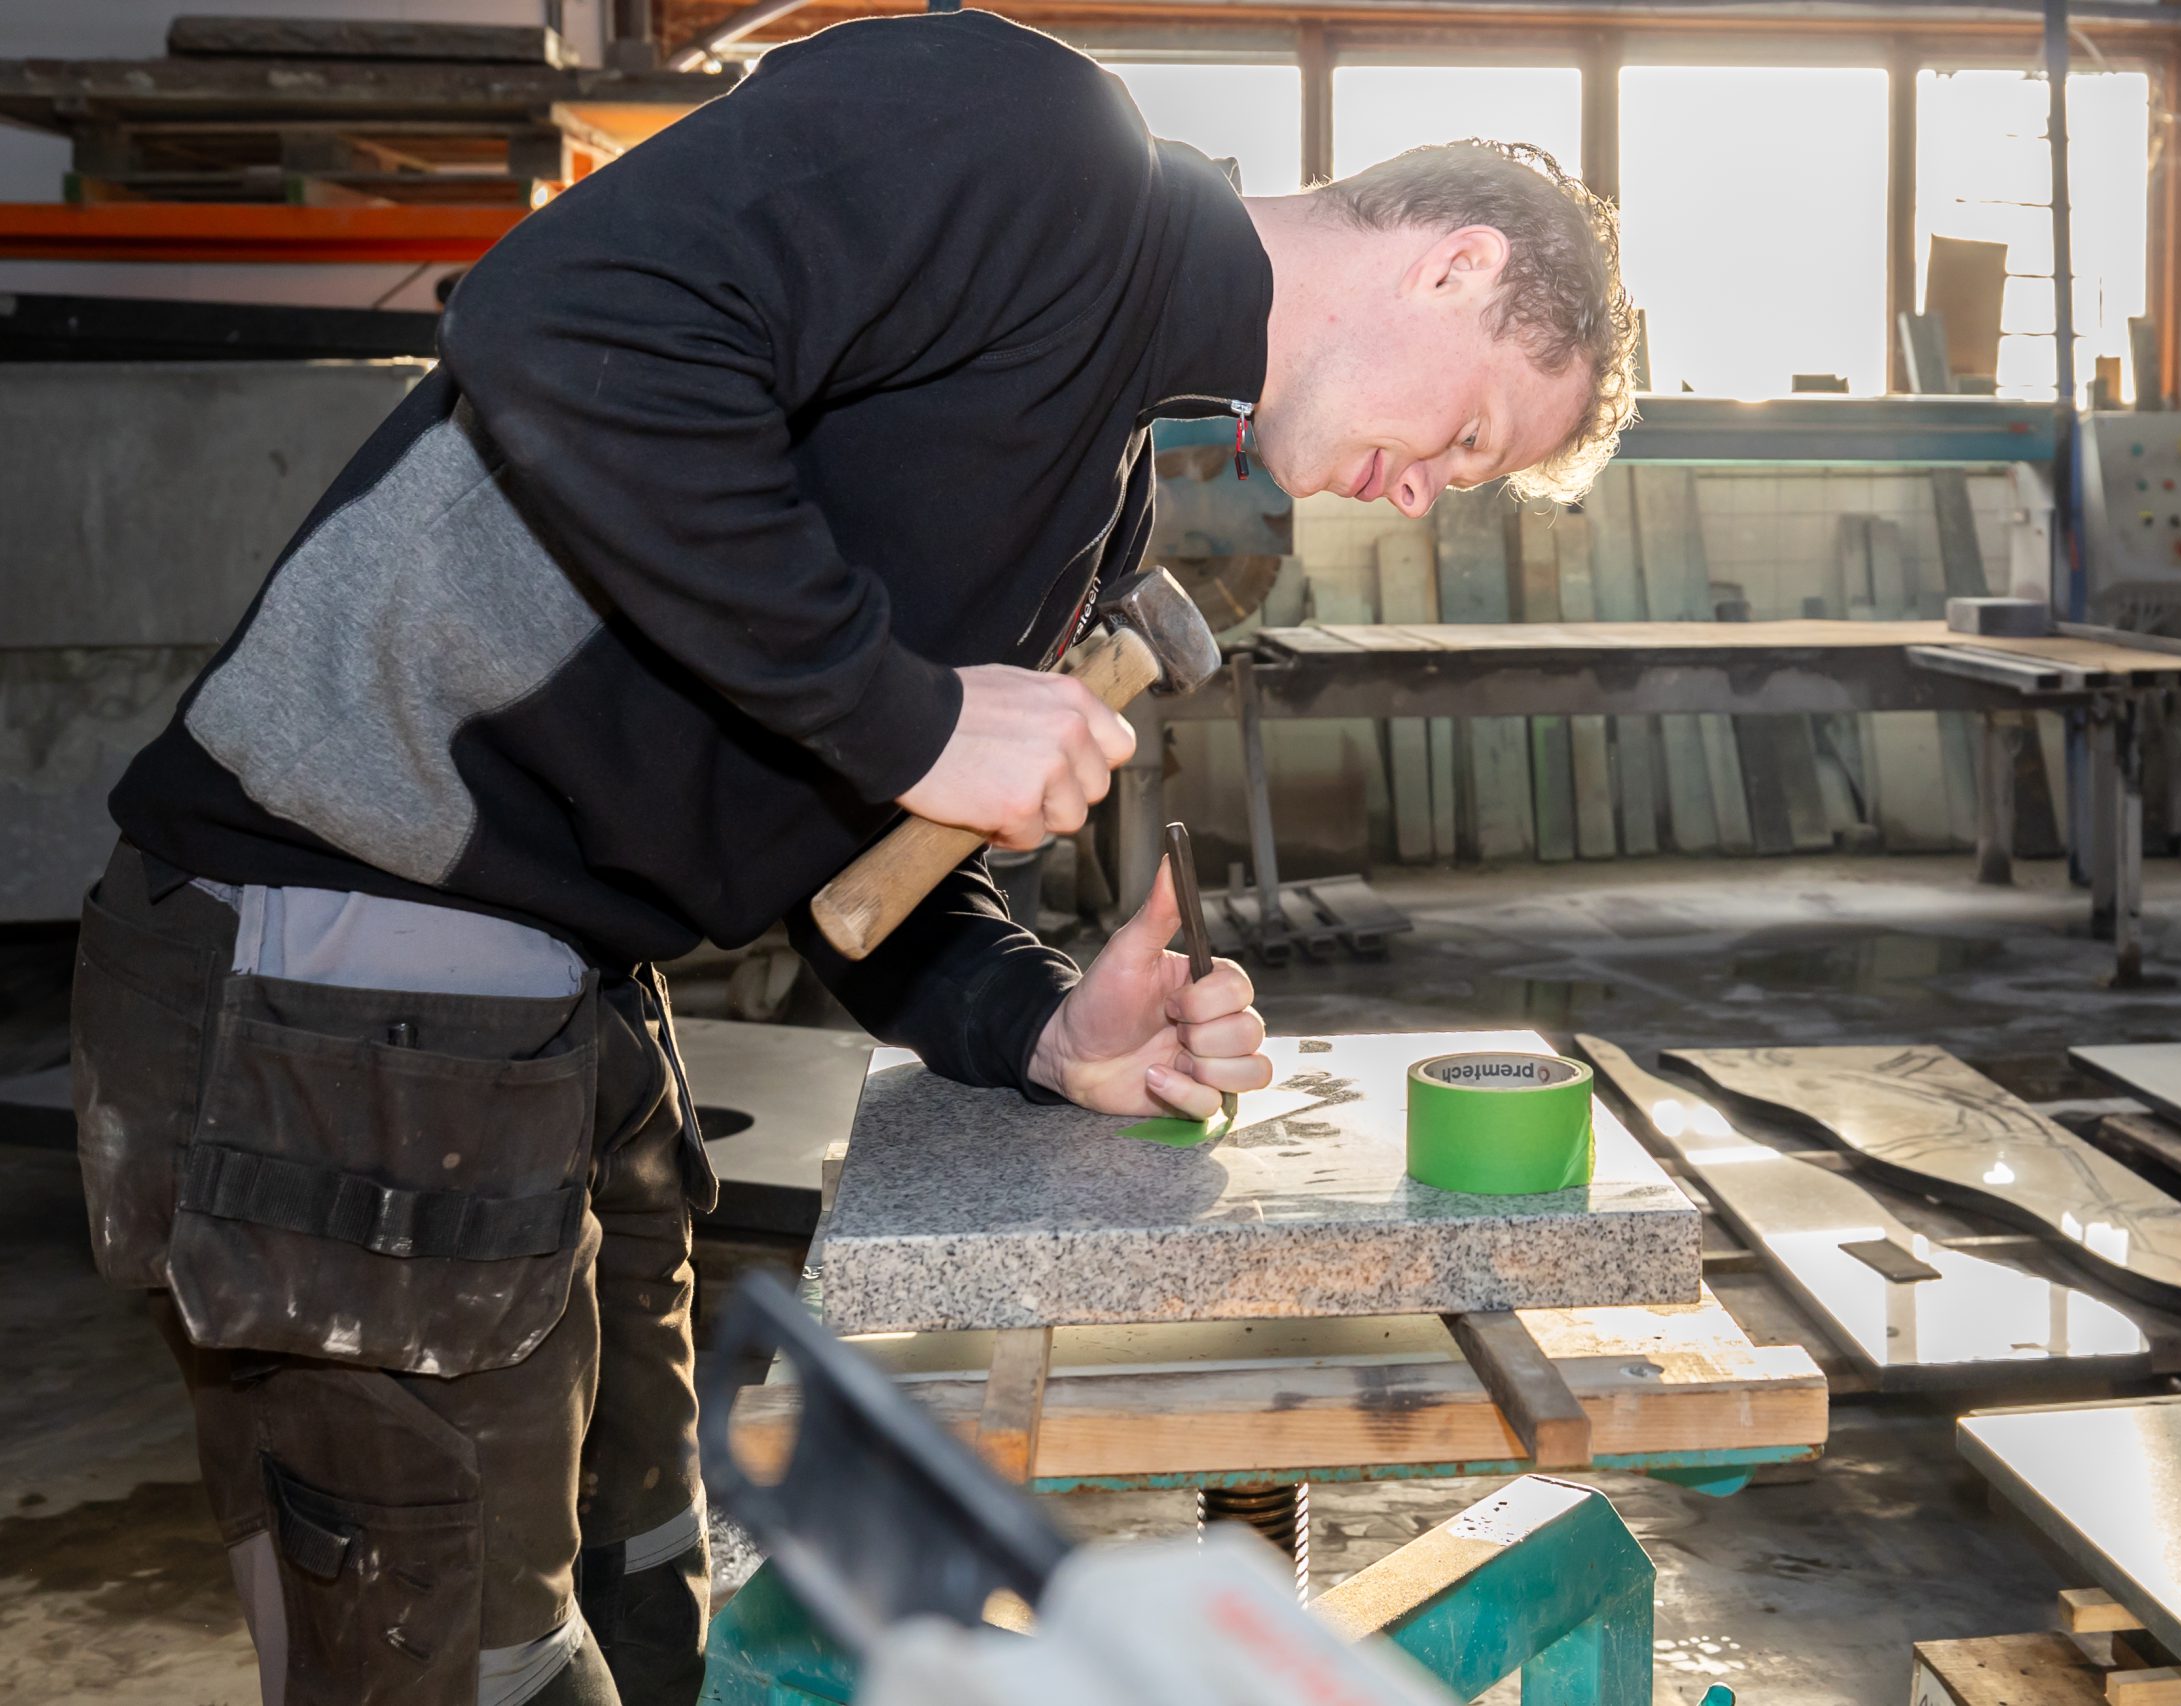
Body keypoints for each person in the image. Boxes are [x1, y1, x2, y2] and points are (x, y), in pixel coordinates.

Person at [66, 9, 1638, 1704]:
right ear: (1457, 266)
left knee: (651, 1596)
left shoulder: (1098, 489)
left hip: (561, 1018)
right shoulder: (1029, 134)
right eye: (1473, 438)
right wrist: (902, 714)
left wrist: (1042, 1022)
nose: (1427, 496)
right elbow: (563, 322)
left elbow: (857, 873)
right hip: (333, 968)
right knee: (468, 1669)